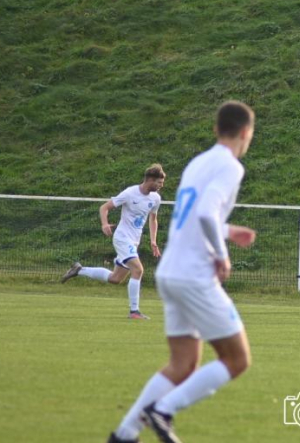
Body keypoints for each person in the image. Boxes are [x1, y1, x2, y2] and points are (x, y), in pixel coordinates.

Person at [107, 101, 257, 443]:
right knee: (237, 359)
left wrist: (229, 231)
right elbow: (205, 213)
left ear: (217, 129)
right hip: (193, 273)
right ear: (246, 133)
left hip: (170, 273)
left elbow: (198, 215)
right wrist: (222, 255)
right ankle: (163, 410)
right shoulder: (231, 167)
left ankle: (124, 435)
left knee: (183, 363)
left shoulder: (197, 164)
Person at [61, 164, 165, 319]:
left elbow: (153, 218)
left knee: (115, 279)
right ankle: (134, 312)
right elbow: (104, 208)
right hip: (122, 238)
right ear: (150, 180)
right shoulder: (130, 193)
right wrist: (104, 224)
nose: (161, 186)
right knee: (138, 270)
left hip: (134, 241)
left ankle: (79, 270)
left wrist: (153, 241)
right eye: (159, 183)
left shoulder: (155, 198)